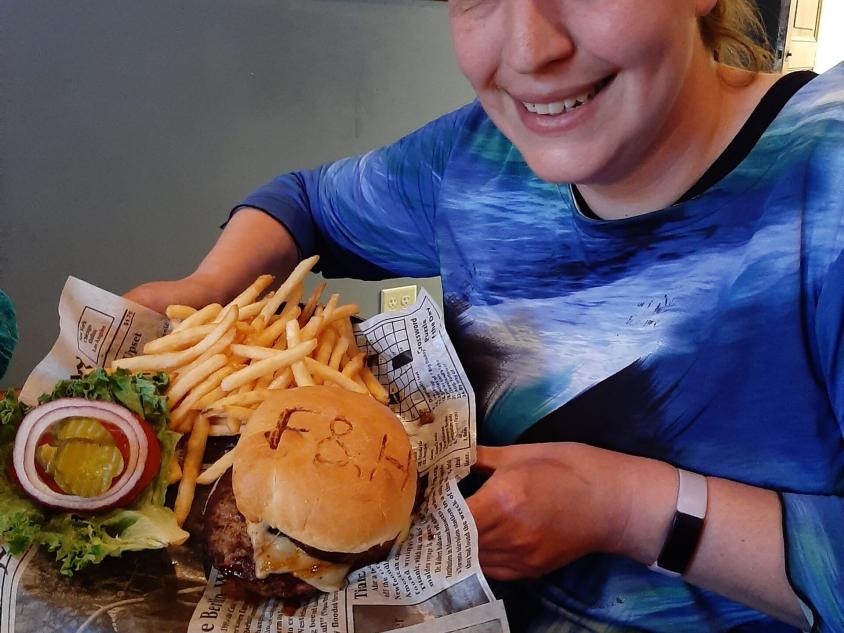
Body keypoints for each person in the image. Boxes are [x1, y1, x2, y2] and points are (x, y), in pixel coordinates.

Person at [126, 0, 844, 630]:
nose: (530, 50)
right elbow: (305, 202)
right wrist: (208, 283)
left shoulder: (827, 178)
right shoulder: (474, 157)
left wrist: (622, 508)